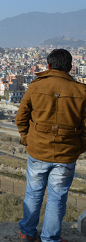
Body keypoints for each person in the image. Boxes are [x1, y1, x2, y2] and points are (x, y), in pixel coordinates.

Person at [16, 49, 86, 242]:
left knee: (33, 192)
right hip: (66, 154)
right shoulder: (81, 91)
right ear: (70, 67)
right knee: (57, 197)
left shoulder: (36, 86)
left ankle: (27, 233)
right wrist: (79, 147)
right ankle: (50, 238)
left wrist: (27, 139)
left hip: (37, 151)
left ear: (48, 66)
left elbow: (21, 117)